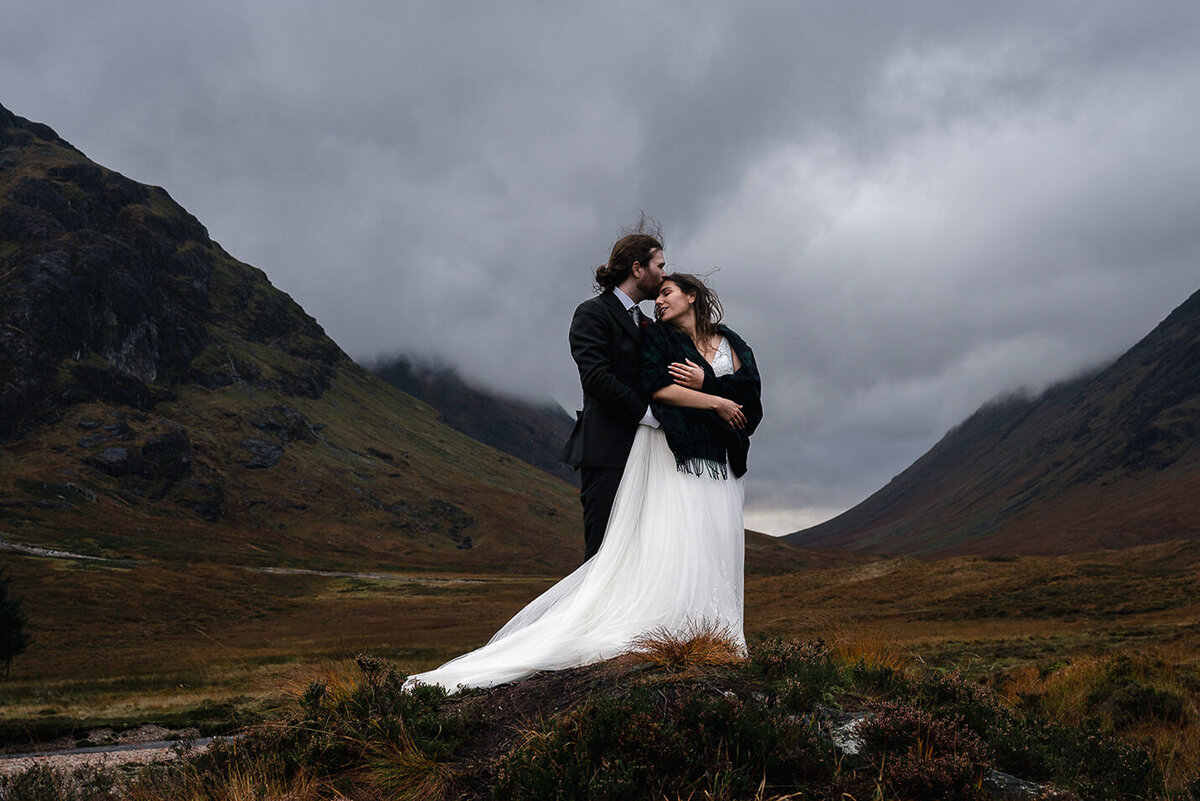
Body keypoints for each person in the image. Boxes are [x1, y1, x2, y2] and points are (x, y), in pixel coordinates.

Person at [405, 273, 761, 693]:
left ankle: (715, 638)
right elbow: (657, 387)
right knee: (679, 542)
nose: (659, 301)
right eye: (658, 292)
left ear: (692, 296)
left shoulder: (732, 340)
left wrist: (709, 385)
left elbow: (751, 397)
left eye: (667, 292)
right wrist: (718, 399)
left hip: (723, 462)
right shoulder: (660, 337)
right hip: (682, 457)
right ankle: (677, 635)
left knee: (712, 543)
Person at [561, 232, 666, 561]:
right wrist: (649, 415)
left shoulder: (649, 323)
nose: (665, 274)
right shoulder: (592, 313)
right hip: (606, 452)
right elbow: (596, 378)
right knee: (602, 554)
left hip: (648, 454)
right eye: (660, 265)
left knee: (641, 553)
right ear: (637, 268)